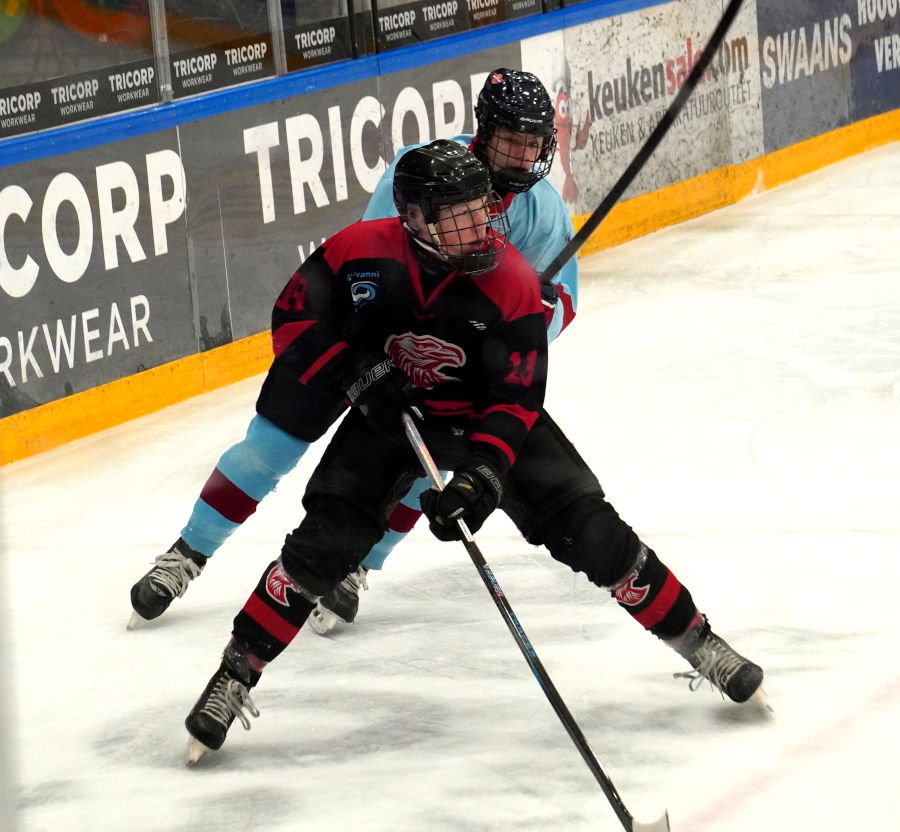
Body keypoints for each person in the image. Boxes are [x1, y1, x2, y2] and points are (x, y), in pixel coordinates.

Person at [182, 140, 764, 761]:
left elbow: (515, 398)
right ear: (416, 218)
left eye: (481, 209)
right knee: (321, 546)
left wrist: (482, 474)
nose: (482, 225)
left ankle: (699, 643)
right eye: (460, 215)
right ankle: (234, 674)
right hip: (393, 417)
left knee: (595, 532)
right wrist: (357, 372)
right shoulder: (358, 251)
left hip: (482, 416)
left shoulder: (510, 282)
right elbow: (294, 320)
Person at [128, 68, 577, 631]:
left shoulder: (544, 211)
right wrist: (376, 362)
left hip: (430, 357)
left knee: (423, 463)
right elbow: (375, 260)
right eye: (512, 139)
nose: (524, 153)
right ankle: (188, 552)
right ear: (485, 130)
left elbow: (562, 305)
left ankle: (357, 565)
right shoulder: (427, 170)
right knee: (269, 447)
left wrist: (533, 312)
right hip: (350, 334)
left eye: (534, 142)